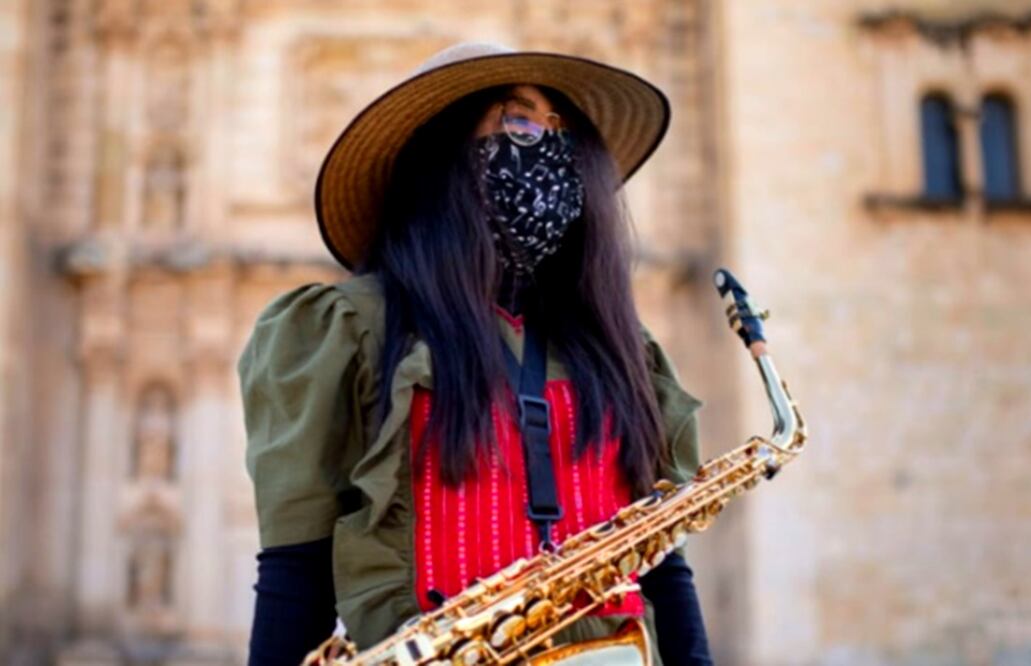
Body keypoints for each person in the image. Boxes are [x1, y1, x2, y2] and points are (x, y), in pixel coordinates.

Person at [238, 41, 713, 665]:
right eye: (519, 122)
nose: (548, 148)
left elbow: (664, 571)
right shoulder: (349, 329)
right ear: (440, 157)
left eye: (562, 132)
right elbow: (296, 572)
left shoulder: (621, 347)